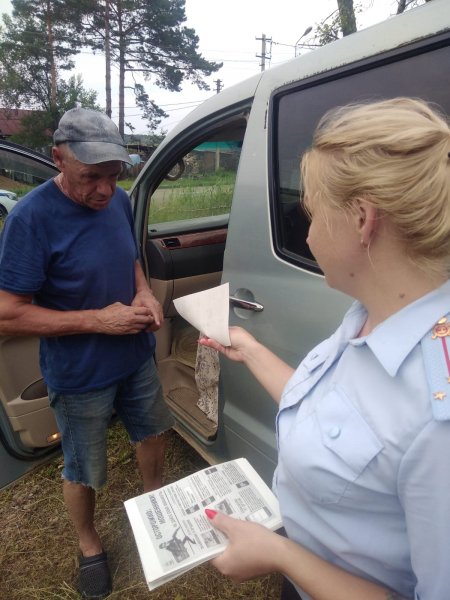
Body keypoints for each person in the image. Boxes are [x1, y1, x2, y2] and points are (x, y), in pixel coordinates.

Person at [199, 97, 450, 600]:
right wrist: (249, 349)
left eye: (310, 213)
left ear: (362, 218)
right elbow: (337, 416)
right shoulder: (370, 314)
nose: (307, 232)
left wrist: (280, 553)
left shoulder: (438, 413)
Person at [0, 107, 175, 599]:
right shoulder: (30, 219)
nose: (104, 189)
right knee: (83, 466)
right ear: (58, 159)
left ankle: (151, 505)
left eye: (114, 175)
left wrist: (142, 294)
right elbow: (8, 314)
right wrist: (98, 320)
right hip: (79, 373)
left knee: (155, 432)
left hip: (135, 355)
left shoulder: (117, 201)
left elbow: (130, 258)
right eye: (90, 177)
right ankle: (89, 543)